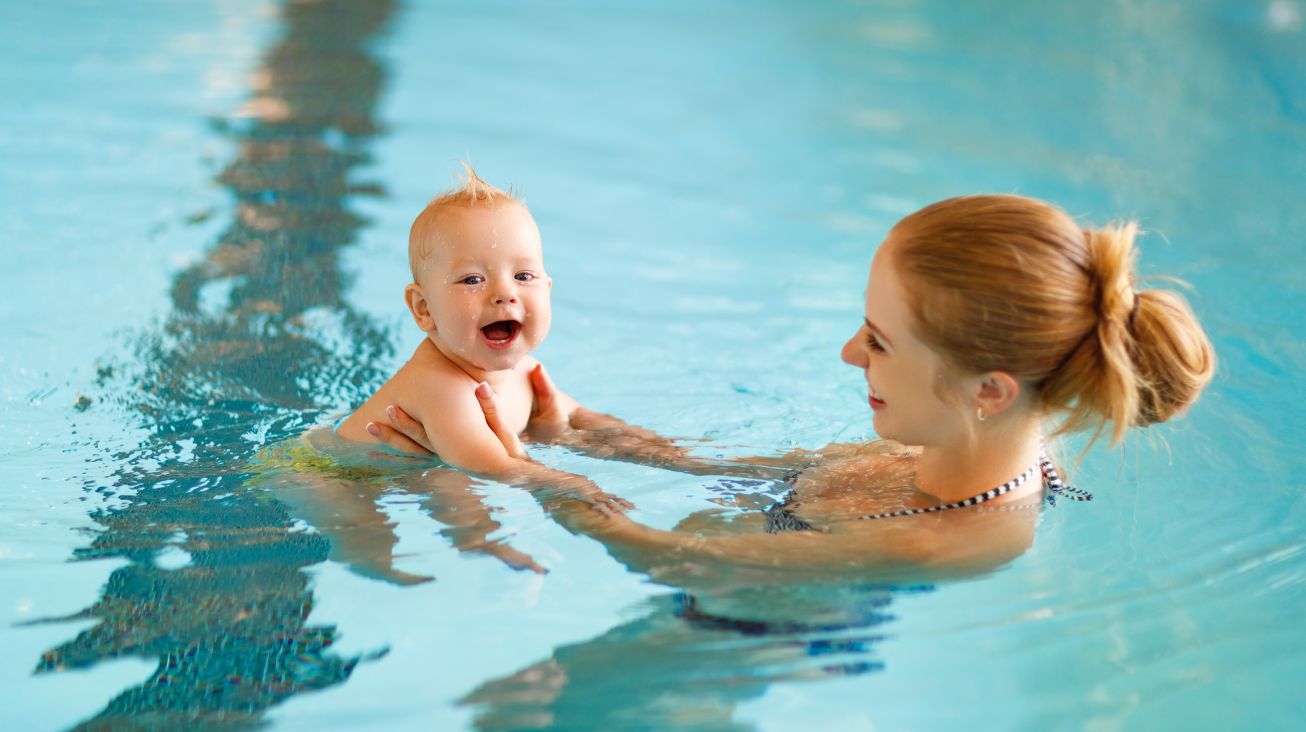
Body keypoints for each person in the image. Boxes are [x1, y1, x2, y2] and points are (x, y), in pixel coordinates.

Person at [370, 193, 1216, 584]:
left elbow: (673, 556)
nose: (850, 352)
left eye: (879, 340)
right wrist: (578, 428)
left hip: (751, 635)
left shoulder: (948, 538)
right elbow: (731, 468)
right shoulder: (956, 441)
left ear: (988, 390)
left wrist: (549, 488)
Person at [249, 166, 629, 583]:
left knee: (446, 480)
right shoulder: (440, 385)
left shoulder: (525, 369)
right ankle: (435, 550)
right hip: (321, 472)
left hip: (410, 462)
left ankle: (473, 538)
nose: (505, 293)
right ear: (423, 309)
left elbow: (584, 421)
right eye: (472, 279)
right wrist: (573, 484)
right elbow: (491, 466)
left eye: (523, 276)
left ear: (548, 288)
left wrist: (679, 457)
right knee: (366, 529)